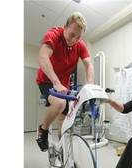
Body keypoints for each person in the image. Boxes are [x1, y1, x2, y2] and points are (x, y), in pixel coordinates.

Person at [35, 12, 94, 152]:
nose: (74, 40)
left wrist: (90, 87)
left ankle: (63, 150)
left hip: (63, 86)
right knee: (60, 103)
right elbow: (43, 58)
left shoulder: (80, 44)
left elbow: (88, 65)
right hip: (47, 80)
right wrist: (55, 82)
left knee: (64, 120)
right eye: (72, 35)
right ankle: (43, 130)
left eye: (78, 37)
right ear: (65, 27)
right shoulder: (54, 34)